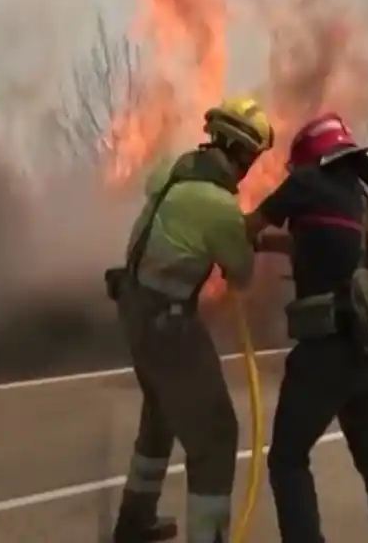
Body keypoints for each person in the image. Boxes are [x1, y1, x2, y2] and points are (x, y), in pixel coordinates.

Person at [244, 113, 368, 543]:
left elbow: (247, 225)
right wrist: (270, 246)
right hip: (366, 349)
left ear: (311, 157)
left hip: (324, 351)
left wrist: (244, 237)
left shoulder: (305, 184)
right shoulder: (360, 204)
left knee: (287, 458)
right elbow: (318, 242)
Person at [105, 96, 274, 543]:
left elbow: (183, 225)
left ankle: (134, 521)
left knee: (160, 414)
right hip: (169, 324)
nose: (251, 167)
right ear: (241, 152)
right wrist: (245, 237)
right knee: (217, 437)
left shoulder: (172, 170)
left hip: (133, 308)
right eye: (253, 158)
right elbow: (240, 273)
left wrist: (236, 232)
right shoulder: (217, 205)